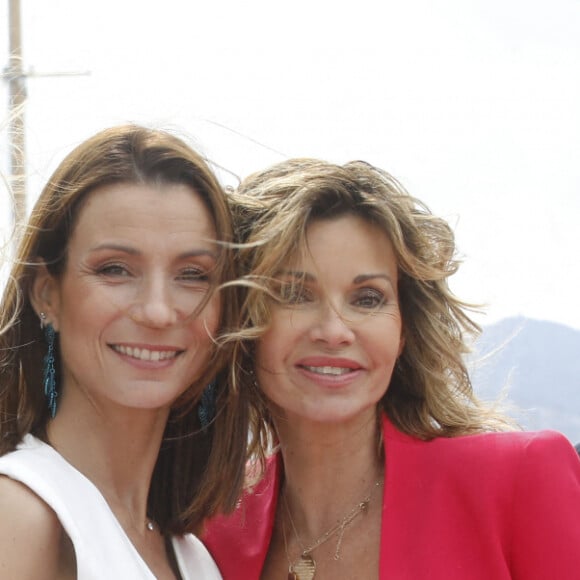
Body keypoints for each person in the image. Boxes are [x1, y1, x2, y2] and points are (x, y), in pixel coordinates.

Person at [203, 158, 580, 579]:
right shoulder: (211, 533)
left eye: (367, 298)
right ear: (242, 321)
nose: (334, 331)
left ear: (403, 330)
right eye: (294, 294)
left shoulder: (518, 481)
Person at [0, 124, 249, 579]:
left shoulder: (194, 556)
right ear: (46, 294)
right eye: (115, 269)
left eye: (192, 274)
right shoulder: (18, 514)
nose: (157, 311)